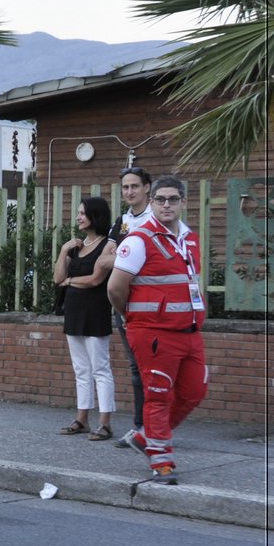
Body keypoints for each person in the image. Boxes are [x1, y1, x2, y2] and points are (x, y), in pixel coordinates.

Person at [106, 175, 207, 485]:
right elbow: (115, 288)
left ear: (183, 202)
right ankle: (160, 459)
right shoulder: (138, 239)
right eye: (160, 199)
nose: (166, 205)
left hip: (189, 333)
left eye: (173, 199)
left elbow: (193, 284)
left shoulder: (190, 238)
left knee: (194, 391)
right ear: (151, 203)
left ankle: (145, 437)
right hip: (152, 332)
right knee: (159, 395)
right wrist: (130, 317)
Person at [53, 196, 117, 440]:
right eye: (78, 213)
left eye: (83, 213)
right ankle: (82, 419)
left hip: (95, 312)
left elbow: (95, 280)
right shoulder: (77, 247)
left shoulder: (106, 246)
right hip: (73, 312)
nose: (78, 217)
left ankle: (105, 423)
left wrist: (70, 281)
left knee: (100, 369)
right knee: (81, 369)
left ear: (96, 216)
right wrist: (63, 251)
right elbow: (58, 278)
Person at [107, 166, 154, 447]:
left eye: (135, 186)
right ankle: (140, 428)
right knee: (136, 368)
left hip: (148, 302)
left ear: (147, 187)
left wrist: (122, 258)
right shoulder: (122, 221)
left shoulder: (156, 219)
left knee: (152, 368)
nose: (130, 192)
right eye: (125, 187)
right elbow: (105, 257)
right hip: (124, 302)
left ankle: (155, 428)